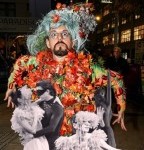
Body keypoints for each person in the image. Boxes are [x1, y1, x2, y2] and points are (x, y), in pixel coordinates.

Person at [4, 2, 126, 146]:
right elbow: (20, 63)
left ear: (72, 42)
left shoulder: (89, 69)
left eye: (65, 34)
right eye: (54, 34)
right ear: (48, 42)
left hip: (75, 140)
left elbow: (116, 79)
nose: (60, 38)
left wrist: (121, 106)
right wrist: (11, 85)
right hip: (47, 140)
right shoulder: (37, 63)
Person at [55, 111, 120, 150]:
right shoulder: (67, 142)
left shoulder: (94, 139)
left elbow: (111, 149)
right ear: (75, 125)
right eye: (83, 121)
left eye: (89, 122)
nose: (87, 124)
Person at [10, 85, 49, 150]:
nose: (28, 100)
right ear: (19, 100)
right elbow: (32, 130)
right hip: (33, 143)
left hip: (41, 139)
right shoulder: (19, 115)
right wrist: (36, 116)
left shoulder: (29, 108)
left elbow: (39, 100)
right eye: (25, 98)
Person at [34, 80, 64, 150]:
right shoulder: (40, 103)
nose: (38, 95)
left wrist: (32, 134)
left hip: (51, 143)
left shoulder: (57, 107)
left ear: (47, 91)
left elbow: (51, 128)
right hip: (39, 141)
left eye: (40, 92)